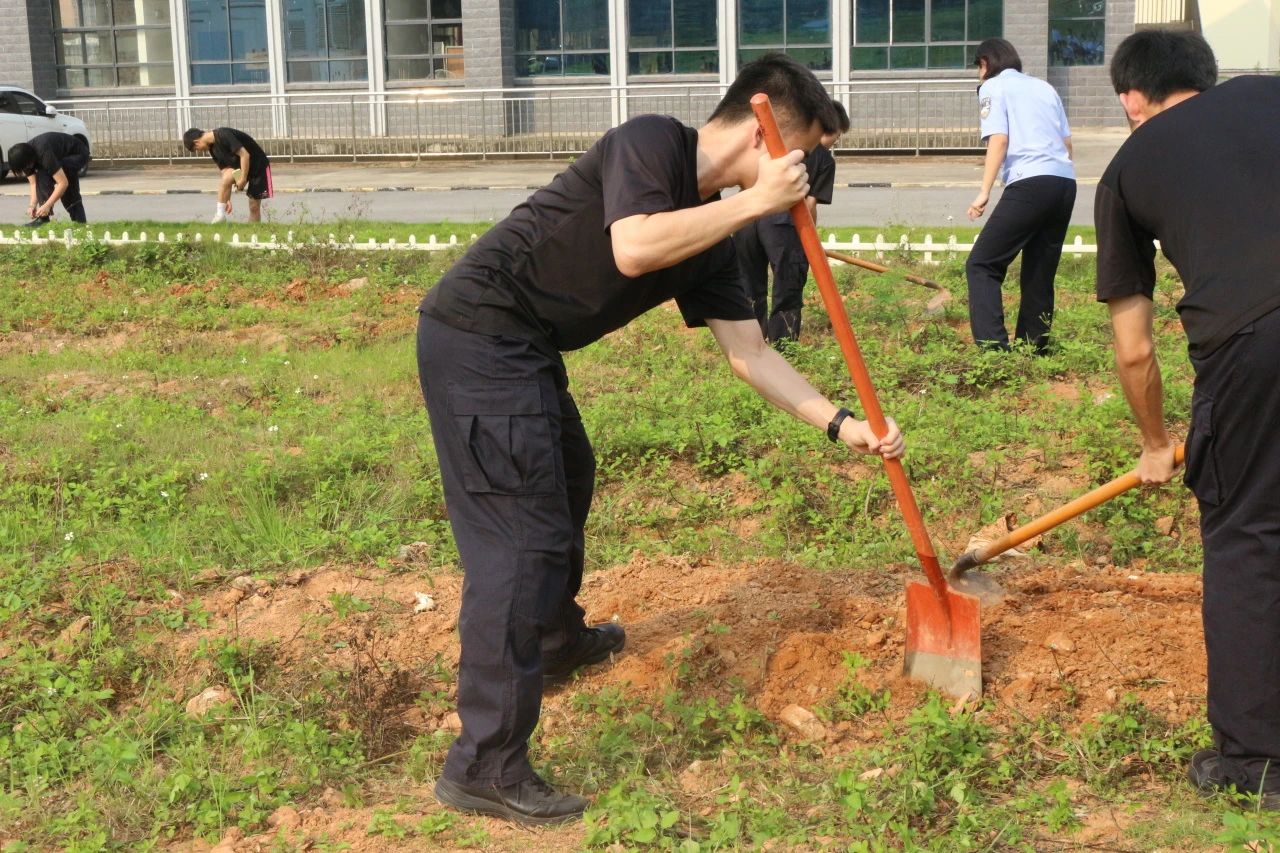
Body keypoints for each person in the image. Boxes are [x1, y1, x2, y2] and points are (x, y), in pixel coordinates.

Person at [416, 54, 905, 827]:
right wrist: (757, 205)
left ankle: (553, 639)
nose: (805, 177)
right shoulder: (651, 142)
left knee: (567, 474)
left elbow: (751, 353)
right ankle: (483, 763)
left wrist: (844, 424)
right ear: (763, 131)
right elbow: (635, 247)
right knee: (518, 541)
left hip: (526, 345)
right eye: (803, 154)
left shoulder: (712, 236)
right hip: (479, 332)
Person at [1095, 30, 1280, 809]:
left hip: (1254, 340)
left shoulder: (1126, 169)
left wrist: (1155, 443)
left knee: (1247, 535)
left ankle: (1255, 760)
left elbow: (1134, 349)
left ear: (1132, 99)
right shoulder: (1270, 90)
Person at [965, 37, 1077, 353]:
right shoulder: (1044, 88)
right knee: (1040, 269)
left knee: (982, 264)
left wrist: (984, 192)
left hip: (1030, 181)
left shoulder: (992, 86)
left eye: (978, 68)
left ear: (985, 63)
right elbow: (1067, 143)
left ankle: (993, 350)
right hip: (1064, 181)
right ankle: (1035, 349)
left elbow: (999, 140)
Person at [733, 100, 850, 346]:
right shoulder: (823, 159)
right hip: (782, 223)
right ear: (830, 129)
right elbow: (809, 205)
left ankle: (750, 343)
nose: (834, 142)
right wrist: (809, 241)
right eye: (837, 137)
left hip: (746, 219)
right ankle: (783, 344)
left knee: (749, 283)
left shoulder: (780, 145)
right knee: (788, 285)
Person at [182, 127, 272, 223]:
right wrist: (226, 199)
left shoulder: (223, 135)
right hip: (242, 168)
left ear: (196, 142)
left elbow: (245, 155)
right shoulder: (212, 149)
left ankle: (254, 230)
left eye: (196, 149)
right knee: (226, 177)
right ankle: (220, 216)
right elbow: (225, 171)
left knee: (254, 206)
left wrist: (243, 178)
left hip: (259, 167)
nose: (200, 151)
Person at [6, 132, 91, 226]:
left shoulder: (43, 153)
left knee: (67, 190)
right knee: (42, 177)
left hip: (78, 154)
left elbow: (63, 183)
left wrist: (47, 205)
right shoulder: (24, 158)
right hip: (59, 156)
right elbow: (34, 184)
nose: (26, 170)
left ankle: (79, 222)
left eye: (25, 167)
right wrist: (32, 205)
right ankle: (43, 219)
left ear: (28, 160)